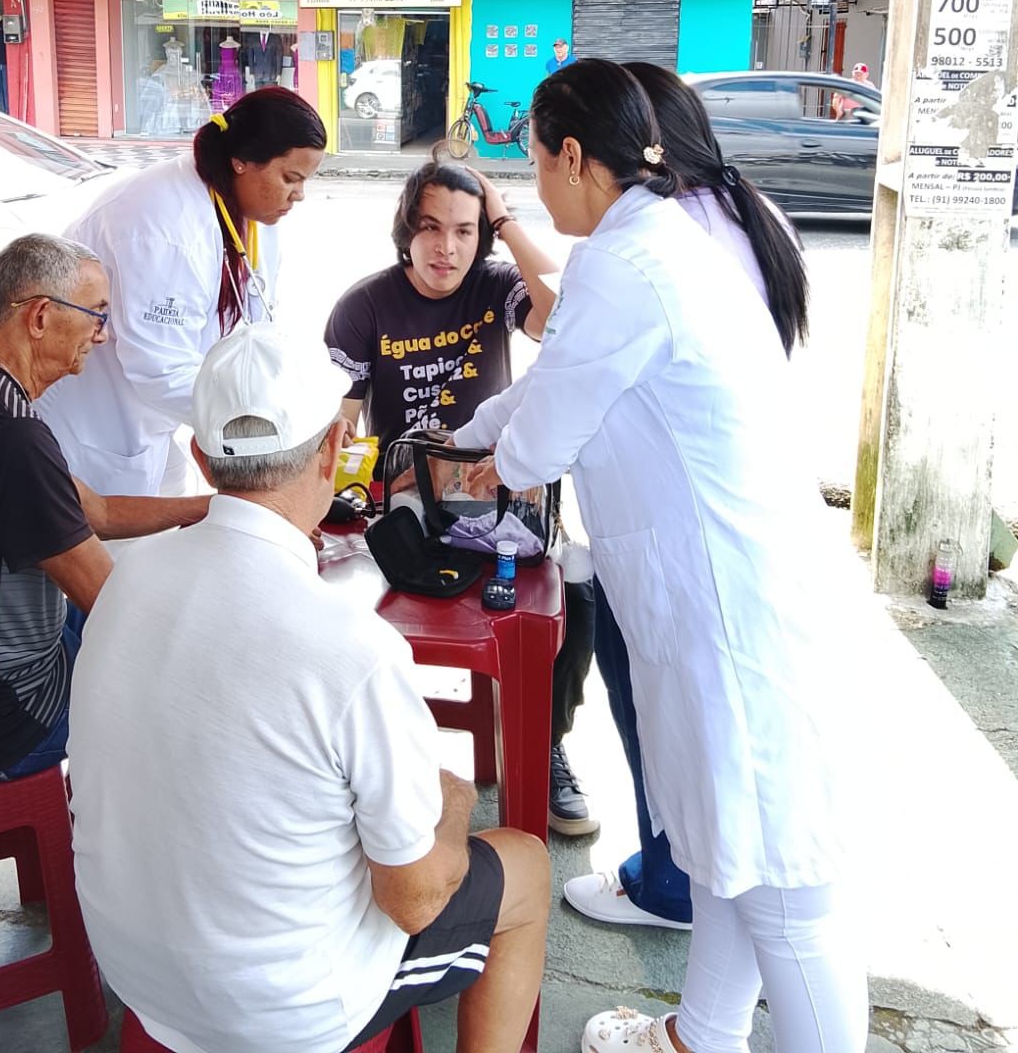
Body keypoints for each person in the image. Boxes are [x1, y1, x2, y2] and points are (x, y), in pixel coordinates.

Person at [455, 60, 865, 1053]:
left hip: (732, 611)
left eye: (535, 164)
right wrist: (465, 435)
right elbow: (558, 384)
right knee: (729, 847)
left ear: (572, 156)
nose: (538, 189)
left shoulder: (626, 261)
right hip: (716, 596)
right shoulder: (655, 241)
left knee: (784, 895)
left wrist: (494, 459)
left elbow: (544, 436)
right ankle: (702, 1034)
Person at [67, 323, 551, 1053]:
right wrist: (453, 804)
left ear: (199, 457)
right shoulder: (353, 648)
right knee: (526, 866)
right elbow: (415, 901)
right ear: (332, 450)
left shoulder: (121, 586)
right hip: (287, 1013)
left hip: (134, 974)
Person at [563, 61, 810, 933]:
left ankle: (668, 881)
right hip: (739, 529)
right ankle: (690, 894)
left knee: (678, 737)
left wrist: (497, 451)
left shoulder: (647, 245)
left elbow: (569, 386)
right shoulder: (751, 214)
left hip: (691, 550)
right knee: (733, 794)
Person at [325, 158, 599, 836]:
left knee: (578, 592)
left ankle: (546, 741)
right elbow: (338, 428)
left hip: (500, 493)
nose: (445, 247)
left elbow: (567, 318)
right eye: (430, 227)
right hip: (408, 503)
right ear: (406, 230)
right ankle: (370, 757)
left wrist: (505, 220)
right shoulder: (364, 308)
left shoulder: (497, 286)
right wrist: (360, 486)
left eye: (465, 230)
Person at [0, 234, 208, 780]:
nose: (102, 335)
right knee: (190, 677)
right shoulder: (10, 435)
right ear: (39, 317)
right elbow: (112, 602)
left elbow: (98, 513)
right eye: (97, 315)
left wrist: (213, 509)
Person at [39, 86, 325, 504]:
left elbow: (255, 327)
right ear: (241, 161)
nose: (299, 195)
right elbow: (160, 369)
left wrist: (291, 399)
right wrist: (262, 425)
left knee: (169, 505)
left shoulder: (251, 213)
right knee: (114, 537)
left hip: (148, 418)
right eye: (290, 178)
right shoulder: (163, 228)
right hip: (93, 424)